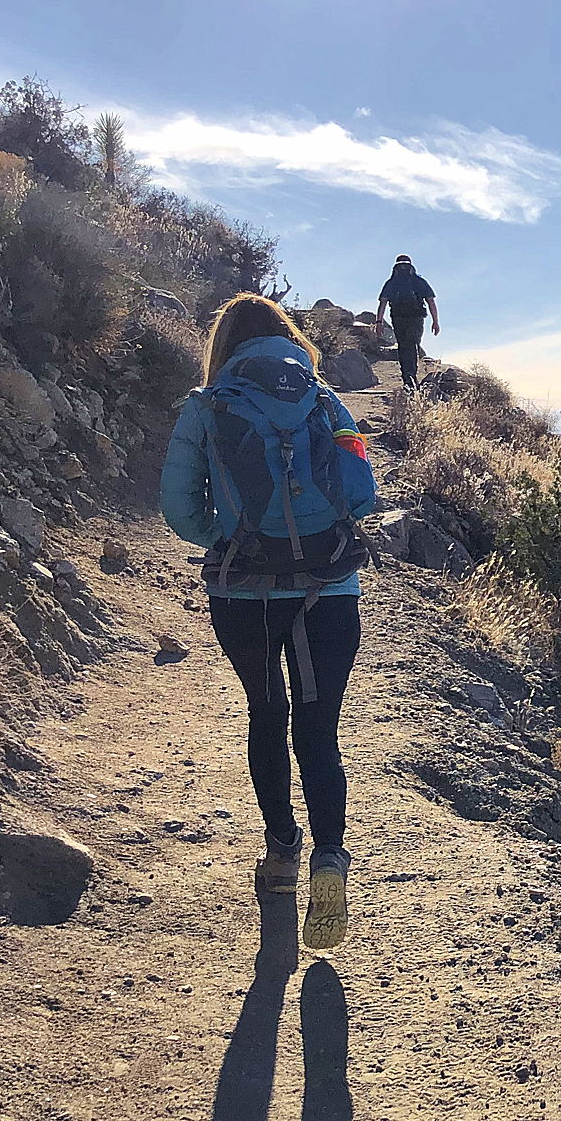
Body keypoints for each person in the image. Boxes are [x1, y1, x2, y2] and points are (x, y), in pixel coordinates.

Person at [161, 293, 378, 949]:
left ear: (224, 346)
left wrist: (229, 538)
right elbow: (362, 493)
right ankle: (331, 860)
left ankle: (283, 855)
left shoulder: (207, 405)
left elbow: (179, 510)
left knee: (267, 714)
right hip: (328, 590)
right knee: (320, 730)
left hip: (245, 594)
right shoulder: (326, 400)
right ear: (288, 340)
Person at [376, 253, 439, 388]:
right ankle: (410, 377)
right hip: (415, 318)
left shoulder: (391, 283)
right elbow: (431, 301)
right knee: (411, 345)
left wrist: (379, 322)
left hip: (398, 318)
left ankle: (408, 377)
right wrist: (435, 321)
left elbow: (383, 303)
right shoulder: (418, 281)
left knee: (404, 346)